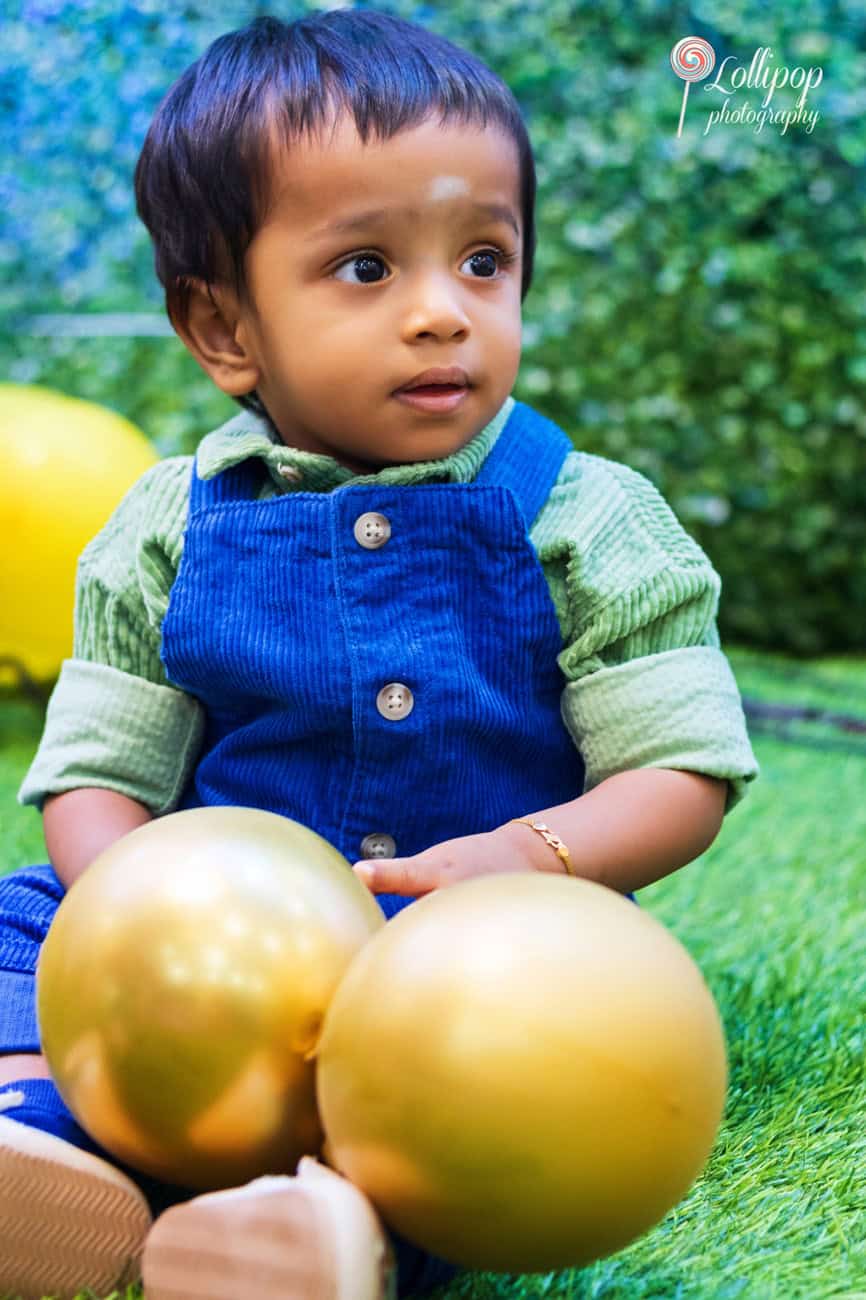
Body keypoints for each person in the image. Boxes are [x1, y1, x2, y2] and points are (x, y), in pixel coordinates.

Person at [0, 9, 760, 1300]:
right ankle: (55, 1128)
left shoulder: (586, 518)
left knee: (490, 1098)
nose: (440, 316)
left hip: (476, 968)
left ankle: (332, 1232)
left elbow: (681, 766)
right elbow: (96, 772)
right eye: (366, 269)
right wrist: (145, 929)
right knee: (31, 915)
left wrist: (533, 856)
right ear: (222, 326)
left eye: (481, 261)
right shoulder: (167, 529)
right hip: (222, 952)